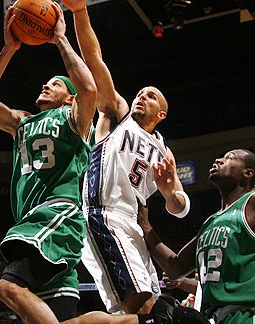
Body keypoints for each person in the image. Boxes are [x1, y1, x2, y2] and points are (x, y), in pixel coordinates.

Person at [0, 2, 97, 323]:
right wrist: (9, 49)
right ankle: (155, 317)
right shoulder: (21, 122)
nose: (45, 85)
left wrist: (59, 39)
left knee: (6, 288)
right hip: (32, 221)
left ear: (68, 98)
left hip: (57, 215)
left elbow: (89, 89)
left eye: (54, 84)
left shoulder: (74, 119)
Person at [63, 0, 190, 315]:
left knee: (145, 310)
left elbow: (179, 208)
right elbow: (95, 60)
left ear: (161, 113)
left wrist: (169, 188)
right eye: (140, 92)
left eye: (151, 95)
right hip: (103, 214)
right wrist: (80, 12)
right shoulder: (119, 115)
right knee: (139, 302)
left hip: (134, 225)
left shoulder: (163, 149)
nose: (141, 95)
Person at [138, 149, 255, 323]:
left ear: (248, 173)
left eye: (230, 158)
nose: (219, 160)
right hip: (217, 318)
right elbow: (175, 266)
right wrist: (145, 226)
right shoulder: (211, 221)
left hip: (251, 314)